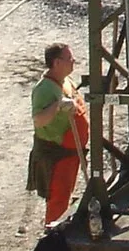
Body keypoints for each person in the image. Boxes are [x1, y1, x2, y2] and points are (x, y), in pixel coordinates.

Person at [27, 43, 88, 229]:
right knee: (58, 200)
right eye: (70, 59)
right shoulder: (44, 90)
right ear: (56, 63)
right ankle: (53, 239)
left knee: (66, 195)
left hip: (71, 153)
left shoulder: (65, 80)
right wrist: (58, 106)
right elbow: (38, 120)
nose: (74, 62)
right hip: (57, 156)